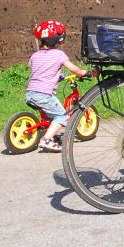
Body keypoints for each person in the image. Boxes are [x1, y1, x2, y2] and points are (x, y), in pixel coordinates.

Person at [26, 20, 92, 152]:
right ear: (57, 40)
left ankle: (52, 134)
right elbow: (74, 69)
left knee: (52, 115)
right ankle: (46, 140)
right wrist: (85, 73)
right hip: (44, 95)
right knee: (62, 116)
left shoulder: (35, 55)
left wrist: (58, 76)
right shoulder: (59, 55)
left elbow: (39, 70)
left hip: (30, 93)